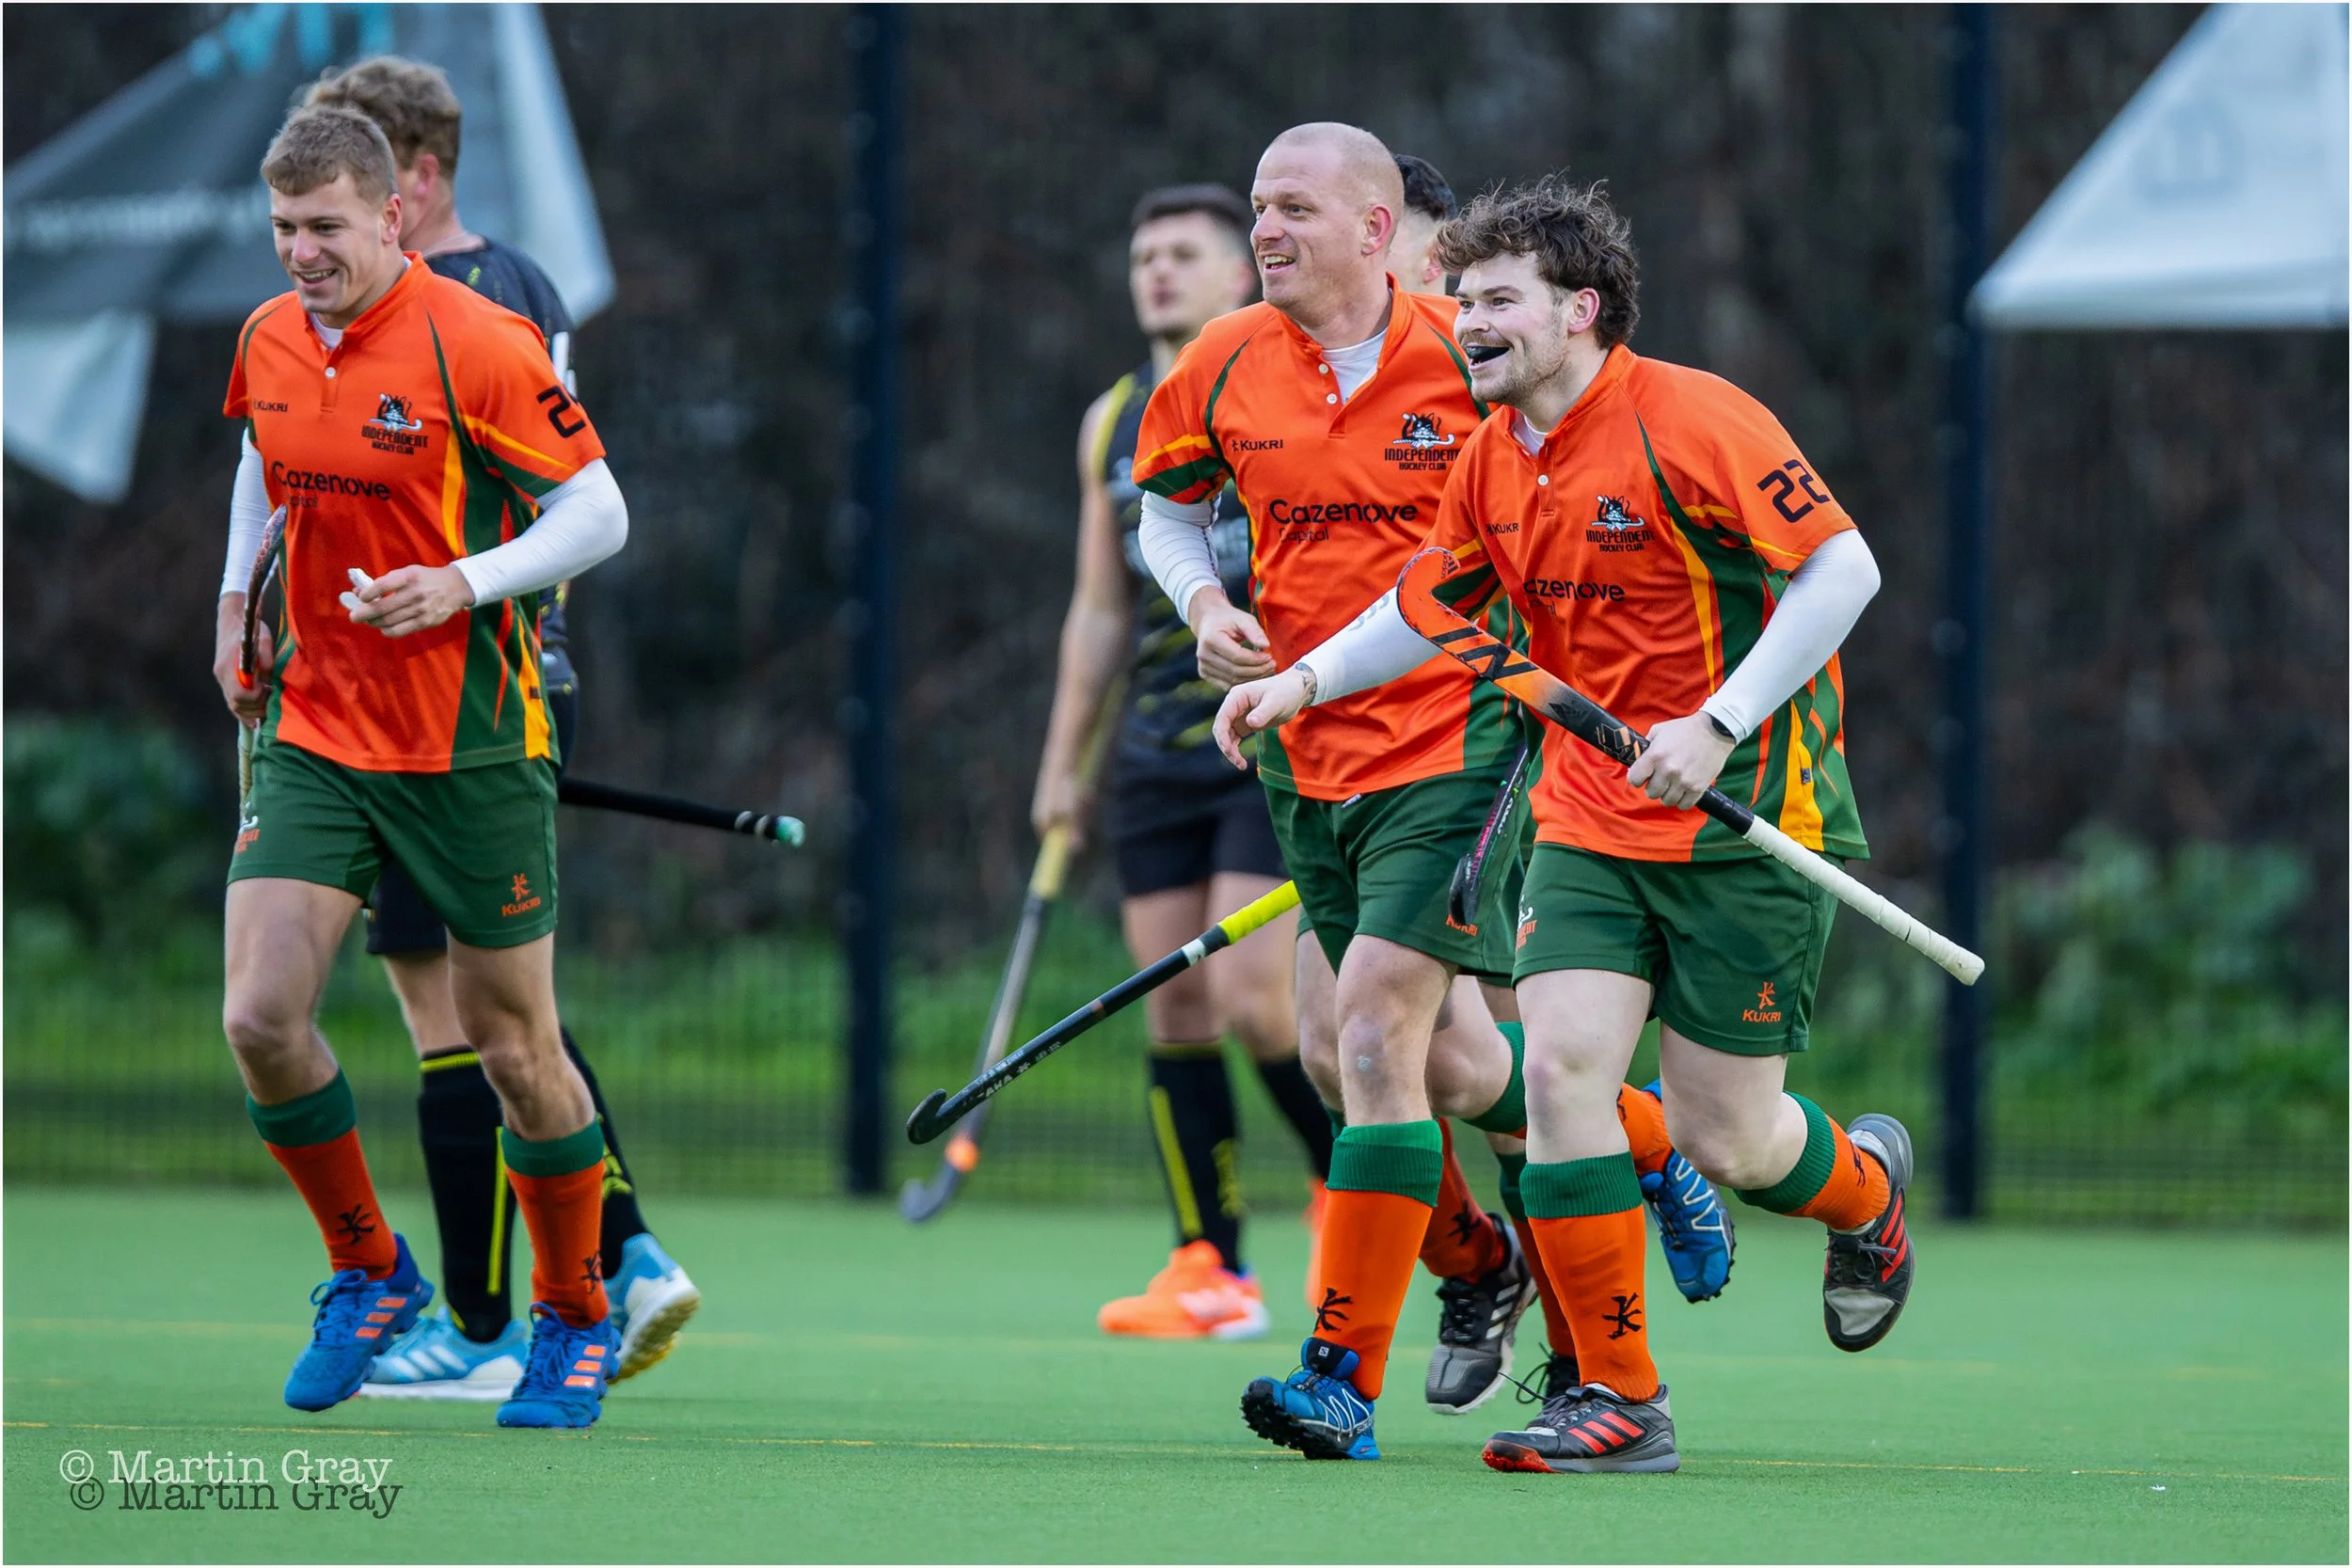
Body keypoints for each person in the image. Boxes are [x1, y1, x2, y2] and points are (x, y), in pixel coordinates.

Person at [1213, 174, 1913, 1477]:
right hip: (1587, 815)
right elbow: (1428, 601)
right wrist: (1301, 678)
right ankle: (1621, 1396)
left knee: (1729, 1135)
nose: (1464, 322)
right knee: (1560, 1070)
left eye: (1494, 302)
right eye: (1460, 298)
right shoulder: (1490, 456)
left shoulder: (1693, 418)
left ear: (1579, 310)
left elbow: (1844, 568)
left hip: (1745, 812)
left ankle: (1865, 1191)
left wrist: (1719, 717)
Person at [1133, 121, 1593, 1458]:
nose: (1263, 230)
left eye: (1291, 210)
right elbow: (1164, 508)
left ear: (1377, 230)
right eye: (1259, 208)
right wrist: (1205, 596)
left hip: (1461, 739)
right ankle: (1612, 1173)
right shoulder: (1223, 358)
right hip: (1303, 747)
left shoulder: (1475, 347)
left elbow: (1584, 474)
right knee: (1380, 1054)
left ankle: (1341, 1372)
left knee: (1383, 1038)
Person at [213, 104, 629, 1430]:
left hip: (473, 741)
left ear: (393, 213)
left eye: (323, 227)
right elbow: (260, 467)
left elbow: (599, 511)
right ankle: (369, 1271)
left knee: (514, 1047)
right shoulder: (270, 337)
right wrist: (235, 599)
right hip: (317, 726)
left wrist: (462, 581)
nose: (300, 254)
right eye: (282, 229)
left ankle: (573, 1310)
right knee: (261, 1017)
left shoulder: (480, 341)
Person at [297, 57, 699, 1402]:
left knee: (463, 1013)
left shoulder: (456, 303)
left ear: (404, 184)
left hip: (469, 693)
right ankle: (590, 1267)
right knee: (490, 1003)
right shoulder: (523, 277)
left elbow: (562, 504)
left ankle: (505, 1310)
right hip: (452, 687)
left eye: (341, 196)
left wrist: (473, 613)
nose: (312, 245)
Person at [1031, 184, 1338, 1341]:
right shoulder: (1113, 420)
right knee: (1172, 1001)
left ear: (1237, 276)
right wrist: (1064, 762)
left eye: (1182, 254)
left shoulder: (1279, 384)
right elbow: (1098, 608)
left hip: (1272, 730)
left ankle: (1346, 1188)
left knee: (1257, 993)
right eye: (1141, 253)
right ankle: (1208, 1263)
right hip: (1157, 742)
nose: (1155, 272)